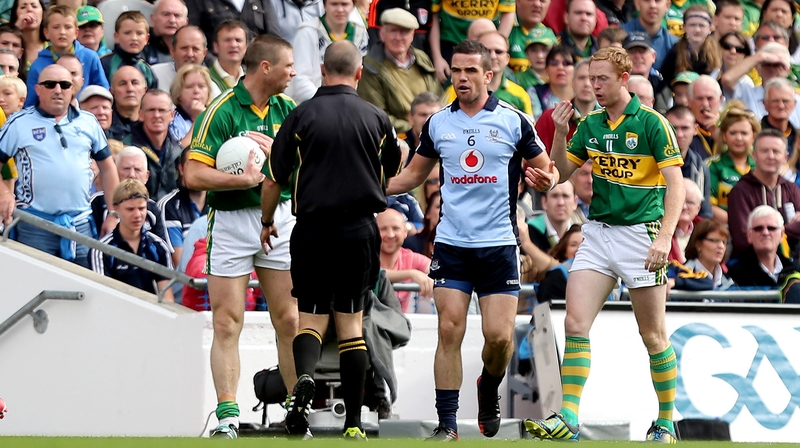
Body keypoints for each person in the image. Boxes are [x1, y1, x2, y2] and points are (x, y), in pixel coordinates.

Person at [386, 39, 557, 441]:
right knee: (449, 329)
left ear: (488, 75)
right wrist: (367, 188)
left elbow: (546, 170)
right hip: (452, 243)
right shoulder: (439, 123)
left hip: (499, 244)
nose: (461, 78)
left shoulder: (515, 120)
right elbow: (412, 176)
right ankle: (447, 425)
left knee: (499, 339)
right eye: (456, 71)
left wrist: (546, 179)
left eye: (470, 71)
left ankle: (488, 387)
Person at [524, 47, 684, 443]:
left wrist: (665, 236)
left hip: (641, 234)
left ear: (623, 79)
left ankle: (665, 420)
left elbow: (676, 184)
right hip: (597, 232)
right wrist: (560, 133)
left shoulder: (652, 123)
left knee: (653, 336)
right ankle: (569, 417)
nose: (594, 86)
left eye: (602, 79)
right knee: (575, 322)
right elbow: (560, 172)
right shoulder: (591, 123)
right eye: (590, 79)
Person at [261, 40, 401, 439]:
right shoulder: (376, 117)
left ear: (322, 70)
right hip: (358, 231)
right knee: (352, 325)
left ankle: (303, 381)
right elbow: (392, 167)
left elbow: (274, 180)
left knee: (310, 320)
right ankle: (354, 424)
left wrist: (267, 221)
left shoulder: (301, 116)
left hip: (311, 231)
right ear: (359, 73)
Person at [184, 34, 299, 439]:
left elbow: (312, 171)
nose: (294, 72)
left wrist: (283, 161)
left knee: (289, 319)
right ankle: (228, 417)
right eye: (288, 65)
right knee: (227, 321)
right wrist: (244, 179)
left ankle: (293, 412)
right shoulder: (220, 111)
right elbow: (193, 174)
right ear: (265, 67)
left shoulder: (290, 110)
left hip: (281, 218)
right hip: (232, 221)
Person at [0, 64, 119, 267]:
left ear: (72, 89)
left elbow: (108, 168)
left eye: (64, 84)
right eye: (50, 84)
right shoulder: (19, 123)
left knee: (84, 289)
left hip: (80, 224)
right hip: (34, 225)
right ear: (37, 89)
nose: (58, 89)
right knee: (35, 287)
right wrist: (4, 193)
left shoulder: (89, 121)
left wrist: (114, 213)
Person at [358, 8, 442, 135]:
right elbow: (376, 115)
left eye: (404, 32)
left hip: (432, 132)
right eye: (393, 31)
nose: (398, 37)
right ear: (382, 34)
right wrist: (414, 128)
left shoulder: (422, 59)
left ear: (413, 35)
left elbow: (438, 98)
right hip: (398, 139)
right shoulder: (370, 67)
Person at [90, 179, 174, 300]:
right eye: (130, 209)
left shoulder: (159, 246)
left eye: (141, 208)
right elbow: (103, 297)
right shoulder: (101, 251)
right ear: (116, 208)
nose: (137, 215)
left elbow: (167, 298)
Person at [727, 128, 800, 257]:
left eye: (776, 151)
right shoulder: (741, 191)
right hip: (750, 266)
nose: (770, 156)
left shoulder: (791, 189)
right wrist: (784, 230)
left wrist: (769, 232)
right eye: (764, 151)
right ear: (754, 155)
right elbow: (743, 239)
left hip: (790, 263)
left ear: (785, 157)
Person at [24, 5, 108, 107]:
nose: (62, 32)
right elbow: (31, 104)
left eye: (68, 27)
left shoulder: (90, 57)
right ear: (46, 33)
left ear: (76, 33)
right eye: (56, 27)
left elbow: (103, 92)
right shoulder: (37, 65)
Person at [289, 0, 368, 104]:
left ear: (353, 6)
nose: (340, 9)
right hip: (310, 104)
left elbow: (360, 78)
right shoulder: (307, 32)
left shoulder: (360, 33)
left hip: (348, 103)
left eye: (344, 4)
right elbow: (300, 80)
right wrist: (329, 102)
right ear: (324, 6)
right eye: (334, 4)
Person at [91, 145, 169, 242]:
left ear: (146, 176)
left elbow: (162, 247)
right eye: (126, 169)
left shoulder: (153, 209)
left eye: (137, 170)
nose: (131, 175)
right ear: (115, 172)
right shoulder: (96, 202)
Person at [428, 0, 516, 84]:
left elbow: (508, 12)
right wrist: (437, 58)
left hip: (487, 45)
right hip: (450, 44)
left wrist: (497, 44)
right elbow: (433, 16)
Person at [728, 205, 800, 303]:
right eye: (758, 228)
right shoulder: (735, 272)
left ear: (782, 235)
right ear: (749, 236)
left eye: (771, 228)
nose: (765, 232)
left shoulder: (795, 269)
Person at [122, 89, 181, 202]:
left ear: (172, 115)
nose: (157, 115)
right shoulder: (128, 147)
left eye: (162, 110)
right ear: (141, 115)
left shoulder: (177, 149)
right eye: (151, 110)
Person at [706, 101, 760, 224]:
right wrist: (740, 225)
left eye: (744, 133)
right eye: (733, 133)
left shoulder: (760, 166)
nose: (739, 138)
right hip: (723, 230)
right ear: (724, 136)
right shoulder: (712, 166)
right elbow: (709, 206)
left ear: (754, 136)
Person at [723, 41, 800, 125]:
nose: (772, 69)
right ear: (758, 69)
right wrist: (761, 57)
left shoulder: (797, 101)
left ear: (788, 70)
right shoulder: (746, 93)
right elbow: (727, 79)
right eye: (767, 64)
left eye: (778, 65)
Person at [158, 147, 207, 266]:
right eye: (192, 166)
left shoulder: (221, 205)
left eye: (205, 166)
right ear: (181, 169)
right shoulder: (168, 206)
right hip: (186, 281)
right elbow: (180, 263)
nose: (198, 172)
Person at [377, 208, 433, 313]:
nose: (390, 235)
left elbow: (440, 272)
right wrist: (411, 274)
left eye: (396, 228)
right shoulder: (367, 258)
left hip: (404, 324)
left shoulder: (412, 258)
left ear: (405, 232)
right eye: (383, 229)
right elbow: (374, 273)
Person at [535, 59, 596, 152]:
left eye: (592, 79)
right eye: (581, 78)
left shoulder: (611, 119)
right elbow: (534, 159)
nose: (587, 84)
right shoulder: (551, 117)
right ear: (572, 82)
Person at [665, 105, 713, 219]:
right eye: (674, 128)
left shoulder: (700, 168)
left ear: (695, 129)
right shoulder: (650, 163)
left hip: (690, 232)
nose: (679, 134)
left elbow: (705, 214)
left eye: (685, 128)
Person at [660, 5, 722, 86]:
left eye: (702, 25)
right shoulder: (675, 52)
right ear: (684, 27)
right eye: (692, 25)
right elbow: (667, 79)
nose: (697, 29)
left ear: (710, 28)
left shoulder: (718, 51)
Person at [668, 218, 735, 292]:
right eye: (715, 240)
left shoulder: (729, 282)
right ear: (698, 244)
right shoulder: (677, 271)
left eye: (724, 242)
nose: (721, 246)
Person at [186, 0, 279, 53]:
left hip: (255, 70)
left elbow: (273, 40)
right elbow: (192, 38)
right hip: (215, 73)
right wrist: (213, 66)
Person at [100, 11, 158, 90]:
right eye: (127, 33)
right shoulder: (104, 64)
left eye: (139, 33)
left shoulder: (147, 69)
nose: (134, 38)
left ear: (146, 39)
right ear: (116, 37)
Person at [151, 25, 215, 96]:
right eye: (184, 48)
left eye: (195, 49)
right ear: (172, 51)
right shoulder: (154, 74)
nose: (190, 54)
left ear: (204, 53)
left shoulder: (212, 88)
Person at [622, 0, 678, 71]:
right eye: (647, 0)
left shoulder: (674, 45)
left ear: (667, 5)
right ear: (637, 4)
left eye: (658, 1)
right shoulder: (620, 37)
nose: (652, 5)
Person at [526, 181, 578, 253]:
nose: (561, 203)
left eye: (566, 196)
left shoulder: (581, 234)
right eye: (555, 196)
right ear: (544, 202)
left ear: (575, 202)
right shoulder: (528, 233)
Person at [169, 64, 213, 147]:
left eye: (201, 86)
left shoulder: (218, 116)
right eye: (189, 87)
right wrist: (198, 121)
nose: (196, 91)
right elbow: (178, 153)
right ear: (178, 93)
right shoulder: (172, 119)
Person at [508, 0, 557, 74]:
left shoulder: (550, 35)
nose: (537, 4)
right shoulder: (504, 30)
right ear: (517, 1)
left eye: (542, 1)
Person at [531, 45, 574, 116]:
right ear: (546, 69)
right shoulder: (535, 92)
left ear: (576, 69)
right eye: (554, 63)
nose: (560, 67)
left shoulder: (584, 93)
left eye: (566, 63)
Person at [760, 77, 798, 155]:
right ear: (764, 104)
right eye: (775, 101)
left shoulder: (797, 136)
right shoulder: (754, 134)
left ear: (794, 104)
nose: (781, 106)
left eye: (785, 101)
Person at [144, 0, 189, 65]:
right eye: (166, 14)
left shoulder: (193, 48)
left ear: (186, 22)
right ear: (152, 19)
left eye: (177, 16)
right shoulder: (140, 45)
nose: (172, 20)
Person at [687, 74, 722, 159]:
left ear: (720, 100)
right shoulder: (681, 128)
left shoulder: (732, 125)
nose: (705, 104)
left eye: (710, 98)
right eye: (699, 98)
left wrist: (721, 137)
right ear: (689, 101)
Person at [108, 66, 147, 141]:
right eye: (123, 84)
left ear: (144, 90)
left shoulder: (154, 122)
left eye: (135, 83)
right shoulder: (104, 125)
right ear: (112, 91)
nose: (130, 89)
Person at [669, 178, 703, 262]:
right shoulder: (658, 230)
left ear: (698, 208)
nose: (684, 207)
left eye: (690, 202)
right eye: (679, 201)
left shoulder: (706, 230)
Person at [209, 20, 247, 93]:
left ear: (246, 47)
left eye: (238, 40)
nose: (233, 45)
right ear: (216, 46)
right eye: (227, 40)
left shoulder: (251, 81)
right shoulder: (204, 80)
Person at [11, 0, 45, 81]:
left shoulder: (53, 46)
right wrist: (16, 28)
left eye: (34, 6)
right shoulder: (9, 45)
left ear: (43, 14)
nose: (29, 10)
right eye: (23, 7)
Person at [404, 91, 442, 162]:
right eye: (423, 115)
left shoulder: (450, 145)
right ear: (411, 119)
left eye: (434, 115)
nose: (428, 120)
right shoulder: (397, 145)